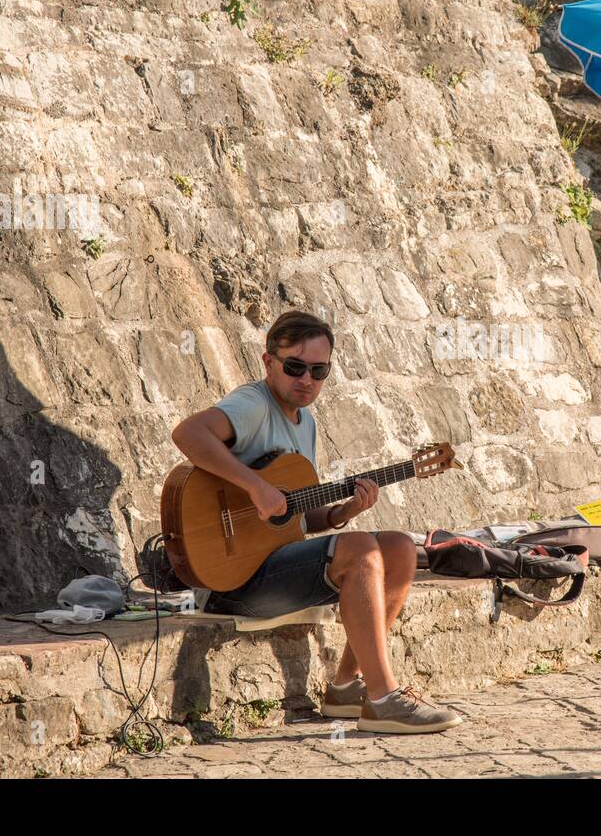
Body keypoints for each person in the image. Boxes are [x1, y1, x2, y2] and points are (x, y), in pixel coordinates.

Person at [170, 310, 462, 734]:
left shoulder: (305, 424)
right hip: (231, 580)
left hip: (277, 567)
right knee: (361, 549)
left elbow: (297, 518)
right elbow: (188, 434)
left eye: (318, 371)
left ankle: (347, 688)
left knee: (398, 546)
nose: (306, 379)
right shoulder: (254, 403)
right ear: (269, 363)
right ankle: (384, 700)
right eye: (295, 367)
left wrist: (344, 512)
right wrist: (255, 487)